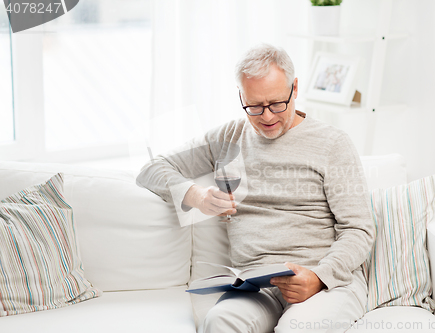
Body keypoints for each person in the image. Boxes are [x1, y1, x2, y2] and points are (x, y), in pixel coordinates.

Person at [136, 43, 375, 333]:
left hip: (325, 282)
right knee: (219, 322)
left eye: (277, 104)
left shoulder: (333, 143)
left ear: (295, 88)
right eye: (254, 106)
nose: (267, 117)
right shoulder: (228, 136)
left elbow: (359, 229)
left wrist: (318, 276)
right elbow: (151, 169)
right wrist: (197, 197)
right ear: (240, 96)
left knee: (298, 328)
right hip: (256, 286)